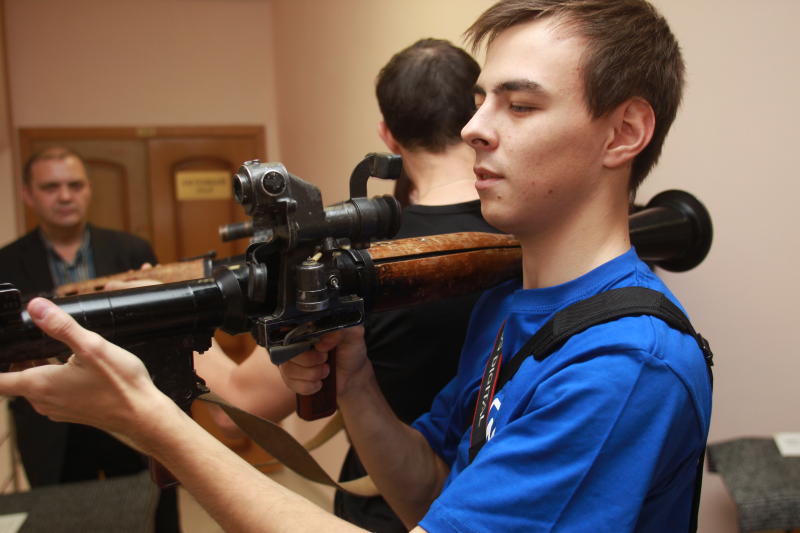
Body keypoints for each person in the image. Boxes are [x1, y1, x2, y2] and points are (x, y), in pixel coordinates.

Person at [0, 1, 712, 531]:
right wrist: (357, 379)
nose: (473, 128)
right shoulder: (511, 305)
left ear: (624, 133)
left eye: (518, 104)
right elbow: (431, 489)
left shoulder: (624, 362)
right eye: (479, 99)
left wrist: (155, 423)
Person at [0, 147, 178, 532]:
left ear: (88, 190)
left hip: (127, 409)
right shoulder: (5, 263)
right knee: (64, 521)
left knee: (149, 514)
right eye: (51, 187)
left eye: (74, 185)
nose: (65, 196)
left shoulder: (131, 250)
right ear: (28, 195)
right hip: (50, 424)